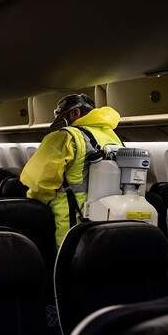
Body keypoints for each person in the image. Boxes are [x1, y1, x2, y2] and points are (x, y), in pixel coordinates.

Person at [20, 93, 122, 246]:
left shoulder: (65, 136)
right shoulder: (113, 137)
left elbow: (40, 184)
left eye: (61, 114)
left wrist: (33, 208)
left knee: (70, 258)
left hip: (72, 224)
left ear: (75, 113)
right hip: (110, 221)